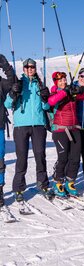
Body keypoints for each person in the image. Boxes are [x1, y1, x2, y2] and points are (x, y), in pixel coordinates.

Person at [4, 58, 51, 202]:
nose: (30, 69)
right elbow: (7, 104)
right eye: (27, 67)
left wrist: (45, 98)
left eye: (32, 67)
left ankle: (42, 184)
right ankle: (18, 189)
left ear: (35, 68)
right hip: (21, 126)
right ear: (23, 69)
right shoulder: (18, 83)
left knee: (40, 155)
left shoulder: (40, 84)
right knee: (22, 157)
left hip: (38, 125)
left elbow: (47, 108)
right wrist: (13, 93)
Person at [48, 71, 84, 197]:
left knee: (75, 158)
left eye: (64, 80)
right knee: (63, 158)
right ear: (56, 83)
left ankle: (70, 181)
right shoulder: (54, 92)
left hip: (74, 129)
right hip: (60, 130)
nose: (63, 82)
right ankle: (57, 181)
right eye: (60, 80)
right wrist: (65, 92)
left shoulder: (72, 93)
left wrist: (79, 89)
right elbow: (51, 102)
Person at [0, 54, 15, 207]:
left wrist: (6, 65)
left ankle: (0, 191)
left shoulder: (1, 83)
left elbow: (13, 82)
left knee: (0, 160)